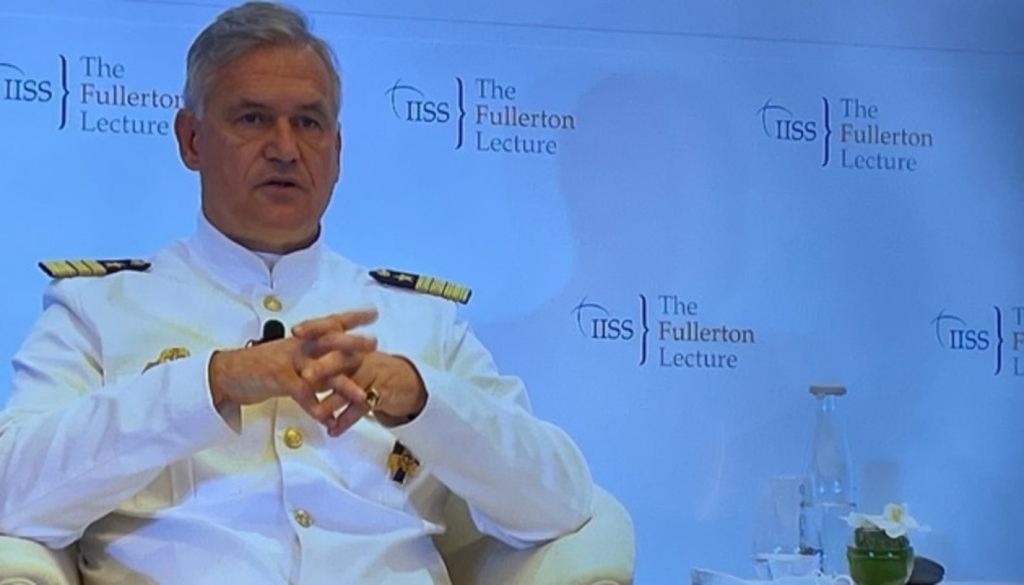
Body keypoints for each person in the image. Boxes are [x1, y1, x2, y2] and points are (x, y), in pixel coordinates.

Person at [0, 2, 593, 583]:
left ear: (337, 150)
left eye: (308, 123)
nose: (285, 148)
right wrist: (214, 382)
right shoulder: (100, 308)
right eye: (252, 119)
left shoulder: (422, 321)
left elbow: (561, 504)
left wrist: (421, 398)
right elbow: (11, 493)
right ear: (191, 140)